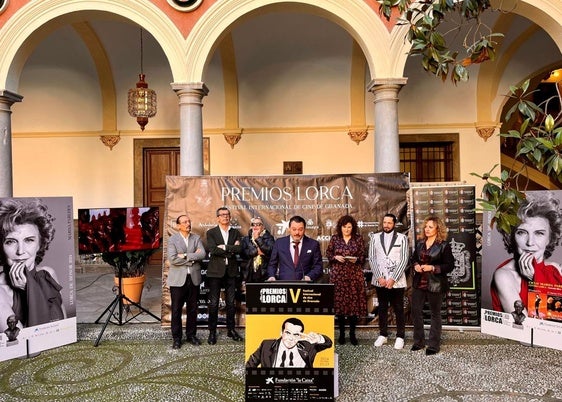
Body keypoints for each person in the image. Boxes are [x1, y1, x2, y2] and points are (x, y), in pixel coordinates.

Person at [491, 193, 562, 313]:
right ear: (511, 236)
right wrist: (534, 282)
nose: (530, 242)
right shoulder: (503, 275)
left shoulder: (556, 270)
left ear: (550, 238)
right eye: (522, 232)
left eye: (539, 233)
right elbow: (525, 327)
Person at [0, 198, 66, 328]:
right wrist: (31, 290)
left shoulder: (48, 274)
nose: (20, 251)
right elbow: (23, 343)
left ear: (40, 244)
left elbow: (62, 326)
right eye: (10, 241)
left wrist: (29, 287)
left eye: (29, 240)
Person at [410, 216, 454, 355]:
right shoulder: (420, 243)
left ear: (437, 229)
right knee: (416, 312)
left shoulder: (444, 245)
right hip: (419, 283)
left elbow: (450, 265)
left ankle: (433, 345)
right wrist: (416, 265)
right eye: (426, 226)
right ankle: (419, 342)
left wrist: (433, 268)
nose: (427, 229)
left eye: (430, 227)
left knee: (435, 314)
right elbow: (414, 259)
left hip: (435, 284)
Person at [368, 213, 409, 350]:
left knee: (398, 308)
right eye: (384, 222)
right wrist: (380, 277)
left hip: (396, 281)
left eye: (389, 223)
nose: (386, 225)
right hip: (380, 281)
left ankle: (400, 336)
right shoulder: (374, 238)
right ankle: (383, 334)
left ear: (394, 224)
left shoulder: (402, 238)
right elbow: (372, 258)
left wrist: (393, 278)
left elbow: (404, 259)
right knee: (383, 308)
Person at [167, 215, 206, 349]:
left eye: (189, 221)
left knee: (192, 309)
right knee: (176, 310)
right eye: (184, 222)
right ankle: (177, 338)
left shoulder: (196, 238)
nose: (188, 224)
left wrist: (184, 255)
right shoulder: (172, 239)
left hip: (193, 279)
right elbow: (172, 259)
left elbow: (202, 254)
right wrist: (192, 258)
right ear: (178, 226)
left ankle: (191, 335)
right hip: (178, 281)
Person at [326, 215, 366, 346]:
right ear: (340, 227)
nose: (347, 229)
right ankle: (342, 334)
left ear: (353, 227)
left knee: (353, 305)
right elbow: (328, 254)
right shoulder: (335, 239)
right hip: (339, 276)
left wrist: (357, 259)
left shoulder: (358, 239)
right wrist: (336, 257)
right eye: (344, 227)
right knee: (340, 306)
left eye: (349, 227)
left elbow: (362, 256)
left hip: (354, 276)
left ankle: (352, 334)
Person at [206, 207, 243, 345]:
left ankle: (231, 330)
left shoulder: (235, 232)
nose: (225, 217)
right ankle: (212, 332)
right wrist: (231, 250)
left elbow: (239, 249)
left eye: (227, 215)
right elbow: (213, 249)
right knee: (214, 303)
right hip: (215, 272)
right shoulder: (211, 233)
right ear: (217, 218)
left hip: (231, 272)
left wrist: (225, 247)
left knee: (231, 303)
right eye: (222, 215)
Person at [246, 317, 333, 368]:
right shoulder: (266, 345)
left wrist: (318, 338)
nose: (291, 338)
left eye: (296, 334)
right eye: (288, 333)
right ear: (281, 333)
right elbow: (250, 364)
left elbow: (328, 343)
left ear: (300, 336)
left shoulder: (308, 346)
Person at [267, 215, 323, 282]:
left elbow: (318, 266)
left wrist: (309, 276)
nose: (297, 232)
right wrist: (272, 276)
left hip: (305, 286)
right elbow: (272, 264)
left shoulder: (313, 244)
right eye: (294, 229)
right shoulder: (279, 243)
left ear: (304, 229)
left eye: (300, 229)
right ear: (289, 229)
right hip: (284, 284)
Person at [241, 216, 275, 283]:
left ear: (263, 227)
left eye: (258, 224)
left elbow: (269, 251)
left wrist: (257, 238)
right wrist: (257, 251)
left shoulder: (269, 238)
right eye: (253, 224)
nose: (255, 226)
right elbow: (243, 253)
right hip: (249, 272)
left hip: (264, 272)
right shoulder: (246, 239)